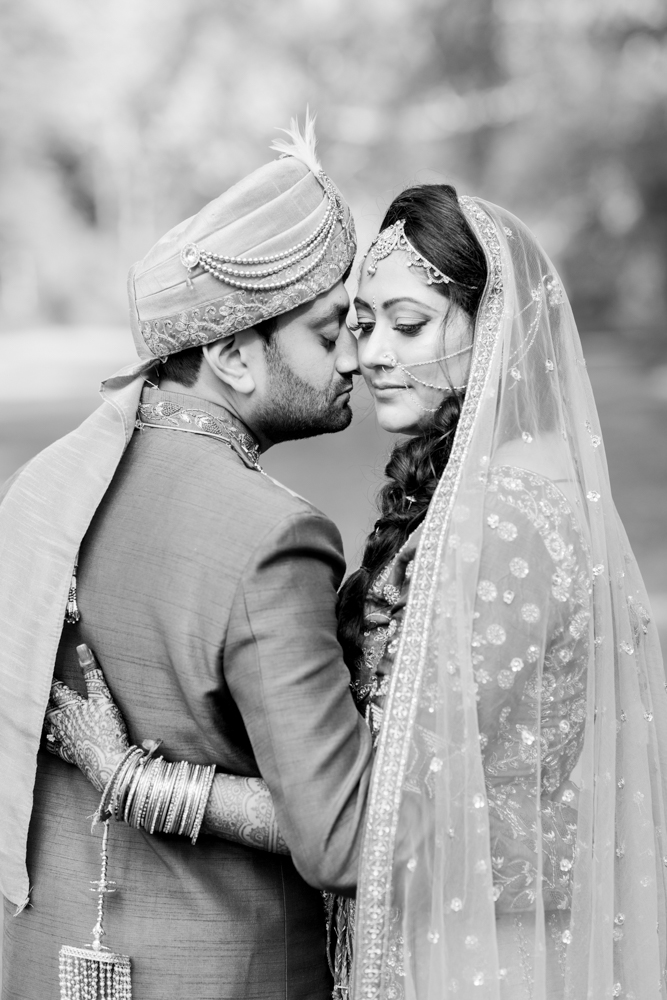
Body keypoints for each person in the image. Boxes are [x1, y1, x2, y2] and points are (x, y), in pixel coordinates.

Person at [47, 182, 667, 999]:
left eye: (407, 325)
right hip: (421, 938)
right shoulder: (460, 503)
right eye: (362, 324)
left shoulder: (506, 524)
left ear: (499, 334)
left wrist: (135, 779)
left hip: (477, 958)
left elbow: (397, 821)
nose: (367, 355)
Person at [0, 119, 375, 1000]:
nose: (355, 356)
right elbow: (345, 836)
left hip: (40, 956)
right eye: (327, 334)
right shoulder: (272, 537)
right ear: (233, 354)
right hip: (225, 974)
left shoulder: (44, 489)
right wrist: (136, 781)